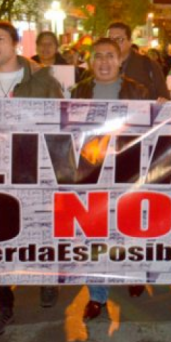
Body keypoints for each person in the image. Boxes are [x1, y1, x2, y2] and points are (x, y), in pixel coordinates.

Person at [0, 21, 64, 336]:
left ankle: (45, 276)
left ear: (16, 45)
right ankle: (2, 303)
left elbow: (60, 124)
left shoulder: (42, 79)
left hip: (33, 168)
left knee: (38, 227)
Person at [71, 38, 152, 322]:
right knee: (93, 233)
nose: (104, 62)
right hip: (90, 171)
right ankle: (97, 295)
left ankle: (133, 273)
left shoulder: (138, 91)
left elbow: (153, 129)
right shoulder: (78, 91)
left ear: (120, 61)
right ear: (90, 62)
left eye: (110, 56)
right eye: (98, 57)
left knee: (130, 227)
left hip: (128, 170)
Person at [107, 22, 170, 100]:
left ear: (130, 41)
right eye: (110, 40)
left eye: (119, 39)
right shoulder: (101, 67)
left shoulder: (148, 65)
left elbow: (164, 97)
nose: (114, 43)